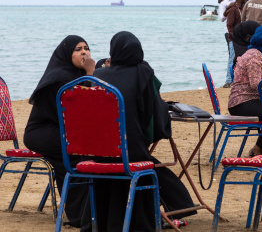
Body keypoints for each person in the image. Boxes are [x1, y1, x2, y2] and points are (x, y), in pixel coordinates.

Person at [93, 31, 196, 231]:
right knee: (145, 162)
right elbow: (156, 115)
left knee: (130, 157)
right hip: (130, 152)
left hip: (98, 154)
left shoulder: (97, 76)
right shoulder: (142, 71)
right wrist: (161, 129)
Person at [24, 35, 95, 228]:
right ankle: (80, 215)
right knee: (77, 154)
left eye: (86, 48)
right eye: (78, 49)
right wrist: (91, 74)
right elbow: (80, 109)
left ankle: (86, 212)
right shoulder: (60, 78)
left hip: (64, 130)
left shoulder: (76, 75)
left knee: (87, 151)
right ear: (66, 54)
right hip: (42, 132)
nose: (84, 52)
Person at [228, 26, 262, 156]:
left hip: (250, 100)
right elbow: (255, 84)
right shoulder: (255, 56)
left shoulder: (259, 53)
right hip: (242, 102)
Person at [224, 0, 247, 73]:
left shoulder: (241, 8)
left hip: (240, 40)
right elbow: (229, 24)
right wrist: (233, 36)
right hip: (234, 39)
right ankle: (228, 81)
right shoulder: (233, 9)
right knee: (232, 59)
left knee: (239, 60)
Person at [219, 0, 236, 87]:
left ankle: (235, 79)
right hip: (229, 32)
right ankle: (228, 80)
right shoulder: (224, 2)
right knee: (231, 56)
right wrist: (229, 8)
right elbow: (221, 18)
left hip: (239, 31)